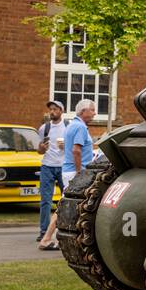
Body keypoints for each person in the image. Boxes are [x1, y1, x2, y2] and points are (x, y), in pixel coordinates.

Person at [39, 99, 96, 250]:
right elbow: (76, 150)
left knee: (69, 205)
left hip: (68, 170)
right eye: (93, 110)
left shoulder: (72, 125)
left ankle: (59, 238)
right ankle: (46, 239)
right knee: (65, 206)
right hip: (75, 172)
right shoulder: (80, 127)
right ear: (84, 111)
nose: (95, 113)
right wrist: (80, 173)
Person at [35, 100, 66, 242]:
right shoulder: (44, 128)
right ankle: (43, 231)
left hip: (64, 166)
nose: (52, 112)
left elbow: (75, 147)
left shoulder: (68, 127)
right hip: (47, 166)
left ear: (61, 111)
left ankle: (65, 229)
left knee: (66, 200)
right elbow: (39, 151)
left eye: (55, 109)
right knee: (45, 201)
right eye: (50, 109)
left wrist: (65, 146)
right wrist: (42, 148)